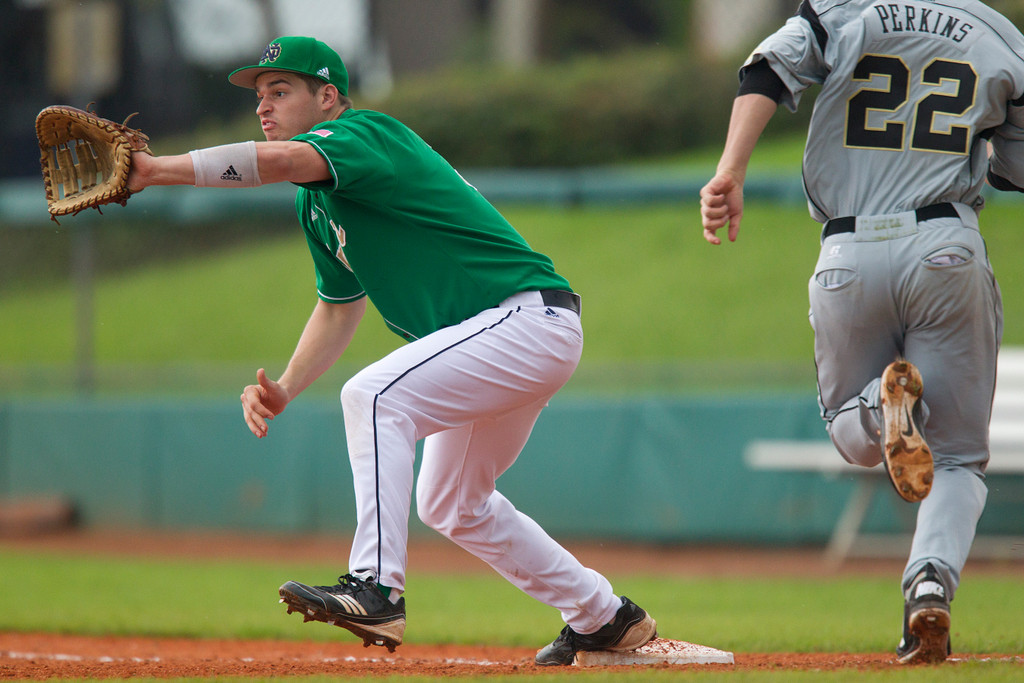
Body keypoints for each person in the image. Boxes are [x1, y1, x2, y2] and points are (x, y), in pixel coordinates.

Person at [127, 36, 656, 665]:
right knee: (450, 503)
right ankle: (605, 618)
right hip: (504, 336)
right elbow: (338, 305)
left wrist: (159, 170)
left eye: (280, 91)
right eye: (259, 96)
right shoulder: (316, 201)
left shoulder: (364, 136)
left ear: (328, 97)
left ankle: (375, 590)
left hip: (525, 320)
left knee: (374, 395)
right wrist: (288, 386)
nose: (264, 107)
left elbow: (279, 161)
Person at [699, 0, 1024, 665]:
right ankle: (929, 584)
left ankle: (882, 409)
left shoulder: (842, 9)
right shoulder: (1002, 35)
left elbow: (766, 70)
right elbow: (1015, 170)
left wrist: (730, 169)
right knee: (958, 455)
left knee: (854, 440)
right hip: (945, 245)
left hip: (848, 251)